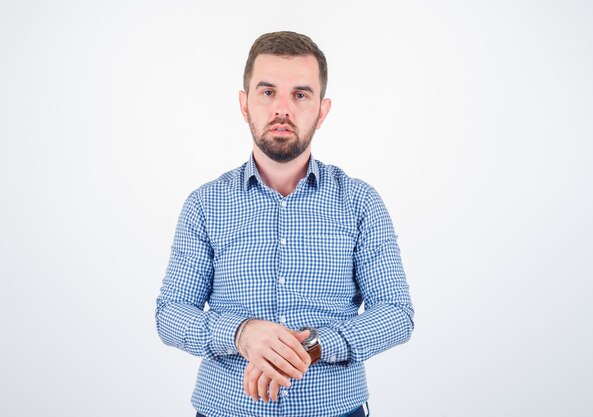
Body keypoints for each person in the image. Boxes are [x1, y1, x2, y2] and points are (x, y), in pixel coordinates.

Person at [156, 31, 414, 417]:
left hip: (335, 410)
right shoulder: (205, 205)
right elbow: (171, 313)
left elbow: (396, 313)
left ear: (322, 110)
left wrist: (312, 348)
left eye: (300, 94)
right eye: (267, 92)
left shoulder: (360, 203)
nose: (283, 109)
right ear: (244, 104)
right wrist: (242, 334)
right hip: (225, 408)